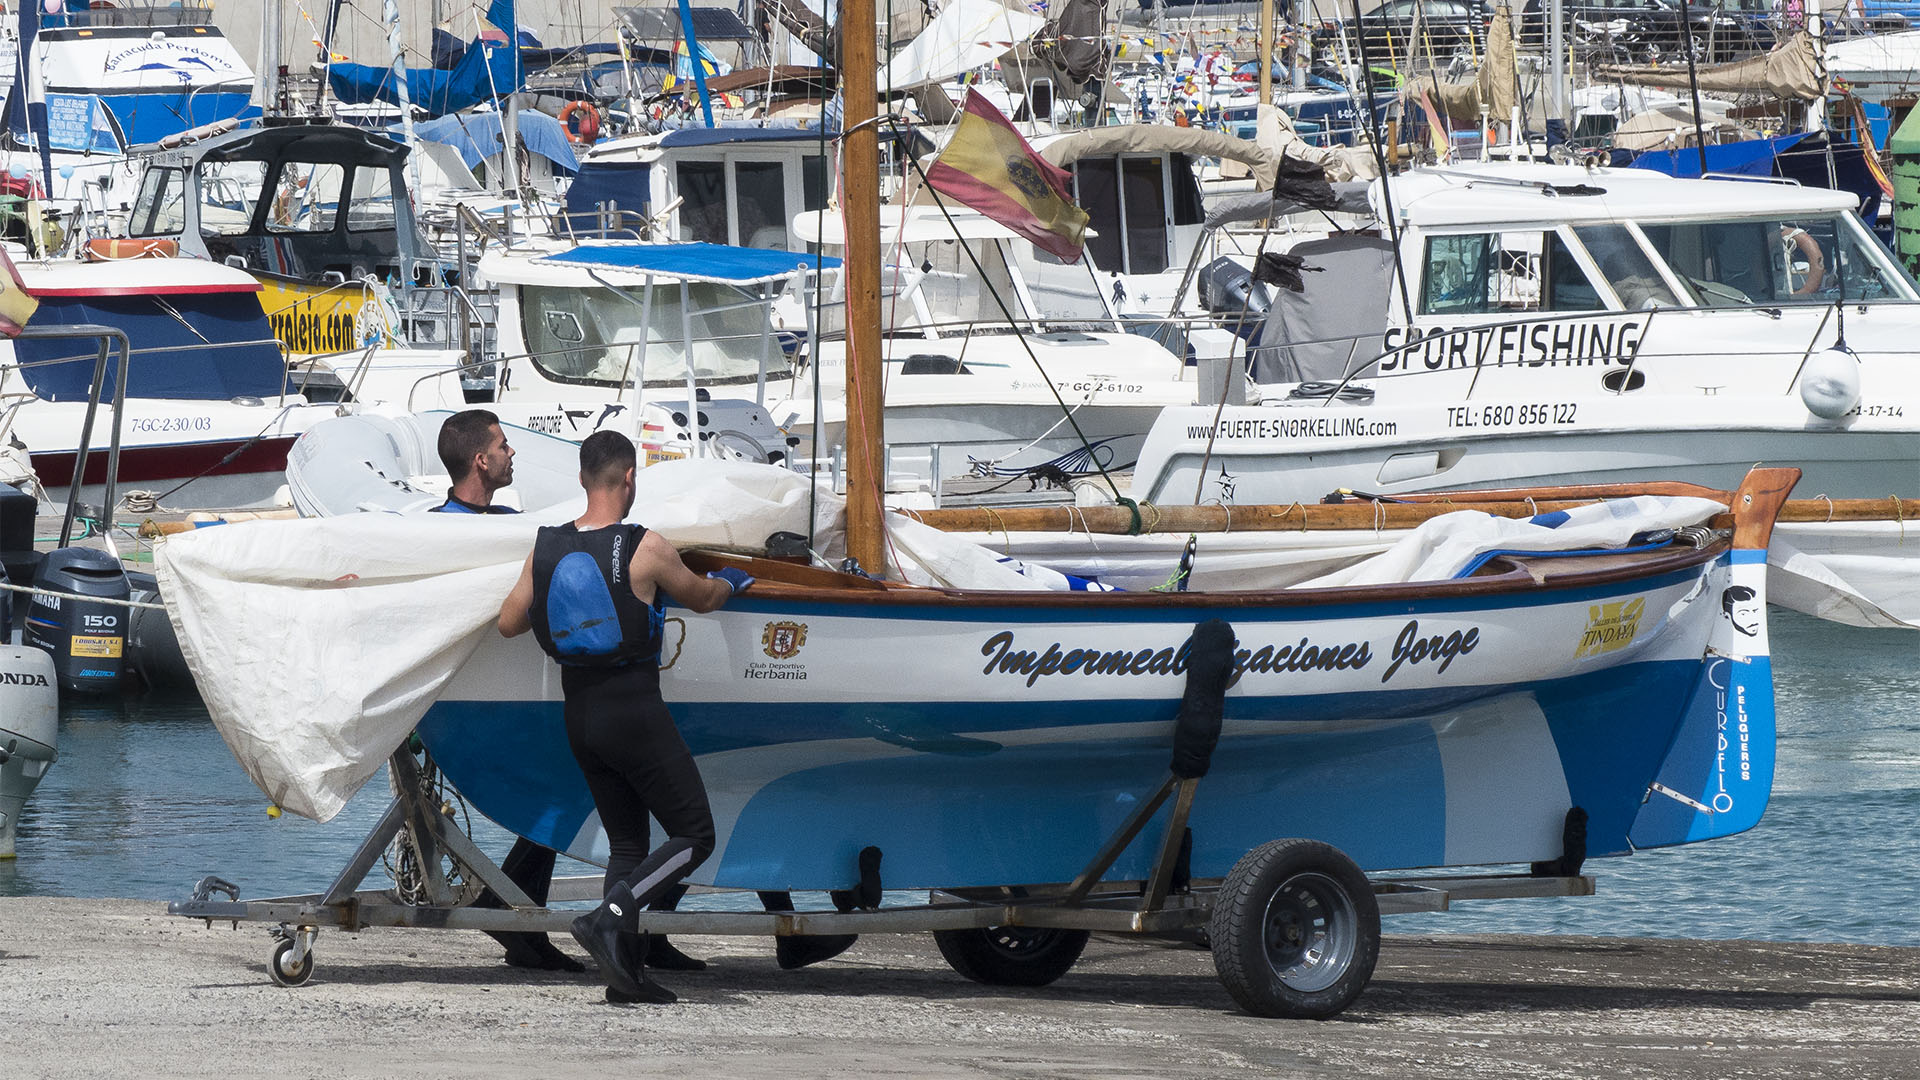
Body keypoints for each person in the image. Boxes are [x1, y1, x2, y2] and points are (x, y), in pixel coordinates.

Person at [498, 430, 753, 1004]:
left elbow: (509, 623)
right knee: (694, 834)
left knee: (629, 847)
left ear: (584, 479)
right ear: (630, 478)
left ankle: (625, 974)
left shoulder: (545, 548)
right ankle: (608, 917)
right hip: (633, 709)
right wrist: (731, 581)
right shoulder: (645, 547)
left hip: (580, 717)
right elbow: (703, 596)